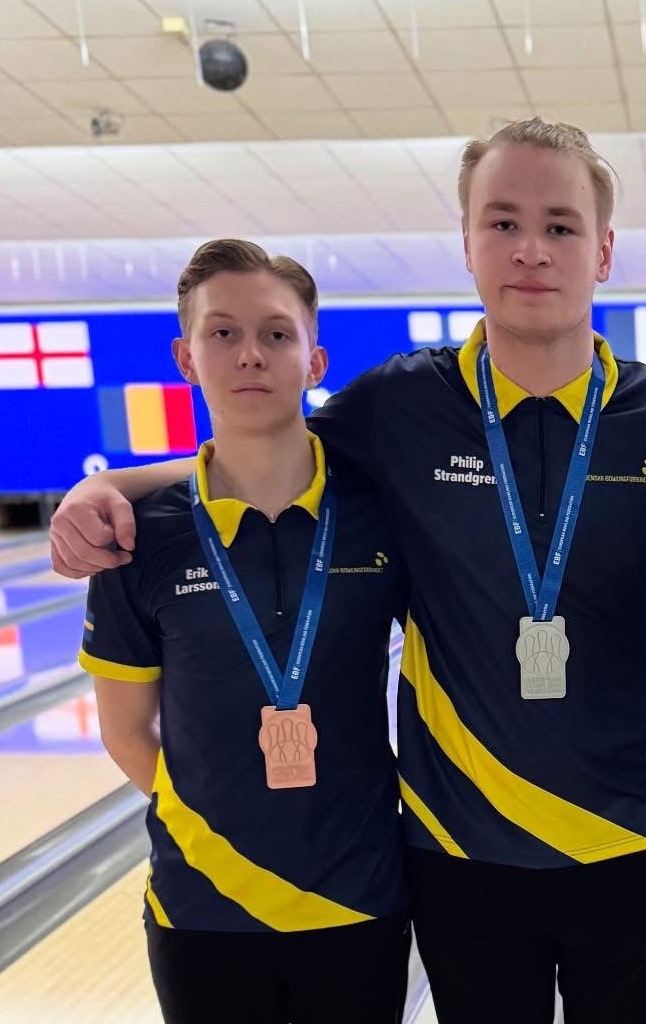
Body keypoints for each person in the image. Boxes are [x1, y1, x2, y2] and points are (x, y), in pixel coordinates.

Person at [49, 119, 646, 1024]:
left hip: (635, 837)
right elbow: (265, 454)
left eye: (560, 226)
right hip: (460, 846)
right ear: (467, 241)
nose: (531, 249)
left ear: (603, 251)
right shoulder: (397, 405)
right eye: (503, 222)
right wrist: (111, 486)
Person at [78, 239, 410, 1024]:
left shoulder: (380, 515)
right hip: (203, 903)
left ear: (315, 360)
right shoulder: (139, 537)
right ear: (185, 359)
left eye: (276, 333)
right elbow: (125, 731)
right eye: (222, 333)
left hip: (358, 893)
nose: (250, 354)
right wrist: (219, 825)